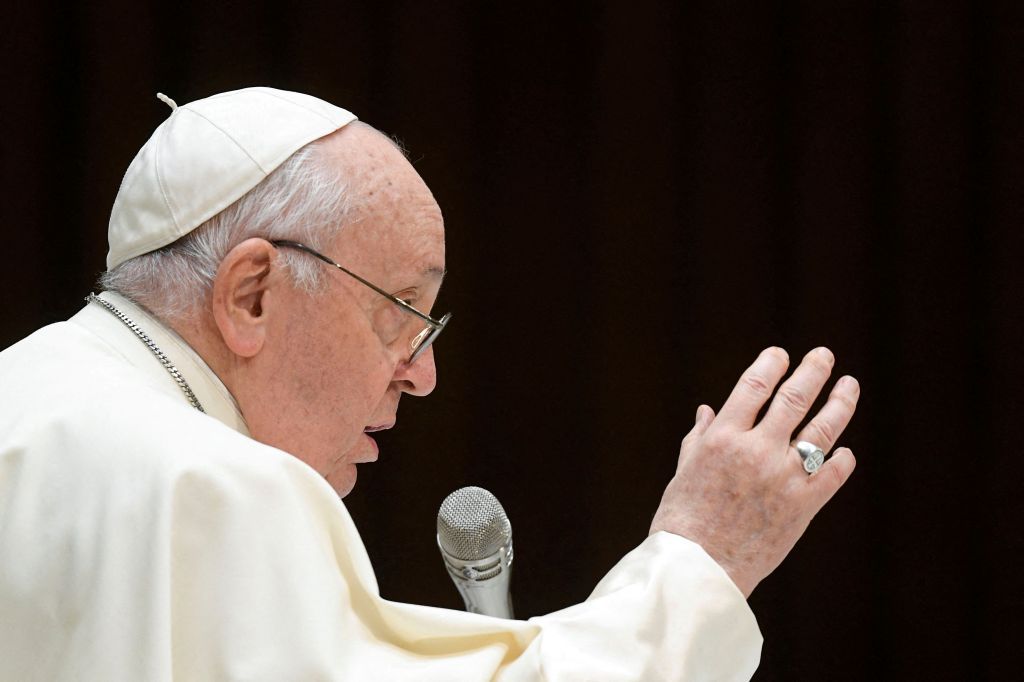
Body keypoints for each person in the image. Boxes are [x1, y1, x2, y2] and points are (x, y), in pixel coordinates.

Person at [0, 87, 859, 681]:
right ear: (251, 294)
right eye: (401, 310)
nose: (423, 375)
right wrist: (704, 558)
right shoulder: (208, 486)